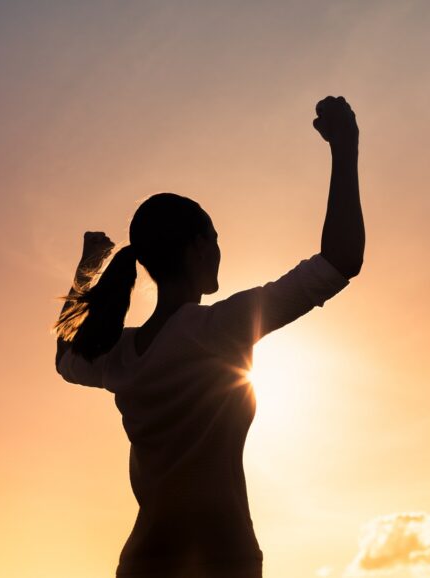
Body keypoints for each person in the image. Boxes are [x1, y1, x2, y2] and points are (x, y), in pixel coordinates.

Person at [52, 96, 364, 578]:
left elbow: (64, 355)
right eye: (215, 239)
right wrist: (345, 148)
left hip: (142, 563)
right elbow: (340, 261)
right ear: (200, 247)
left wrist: (88, 267)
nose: (219, 249)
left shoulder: (117, 356)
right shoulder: (218, 328)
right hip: (222, 559)